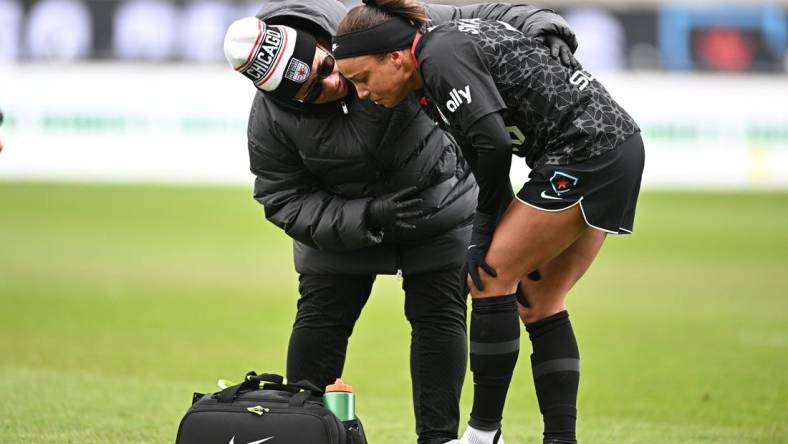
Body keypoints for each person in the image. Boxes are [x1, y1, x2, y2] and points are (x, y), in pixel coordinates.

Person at [223, 1, 579, 443]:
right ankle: (303, 430)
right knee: (320, 317)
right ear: (276, 95)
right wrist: (365, 216)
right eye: (311, 91)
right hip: (344, 228)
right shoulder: (269, 120)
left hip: (438, 205)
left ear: (322, 41)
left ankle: (439, 440)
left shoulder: (370, 25)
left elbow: (480, 15)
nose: (332, 84)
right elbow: (283, 198)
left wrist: (543, 28)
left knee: (439, 317)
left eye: (327, 67)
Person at [333, 1, 645, 443]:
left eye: (362, 78)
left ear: (396, 57)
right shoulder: (436, 55)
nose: (361, 93)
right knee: (540, 298)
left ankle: (483, 436)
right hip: (614, 145)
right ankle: (561, 438)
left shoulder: (438, 56)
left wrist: (485, 228)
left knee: (489, 278)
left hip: (587, 150)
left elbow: (493, 145)